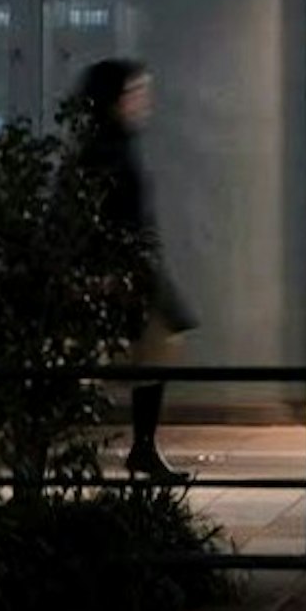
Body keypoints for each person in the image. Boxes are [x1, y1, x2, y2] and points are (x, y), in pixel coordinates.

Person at [73, 59, 195, 480]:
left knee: (155, 344)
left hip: (132, 268)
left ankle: (142, 445)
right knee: (141, 349)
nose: (144, 102)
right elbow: (101, 216)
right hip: (123, 270)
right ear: (114, 100)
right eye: (135, 93)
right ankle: (139, 446)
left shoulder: (113, 144)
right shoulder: (106, 149)